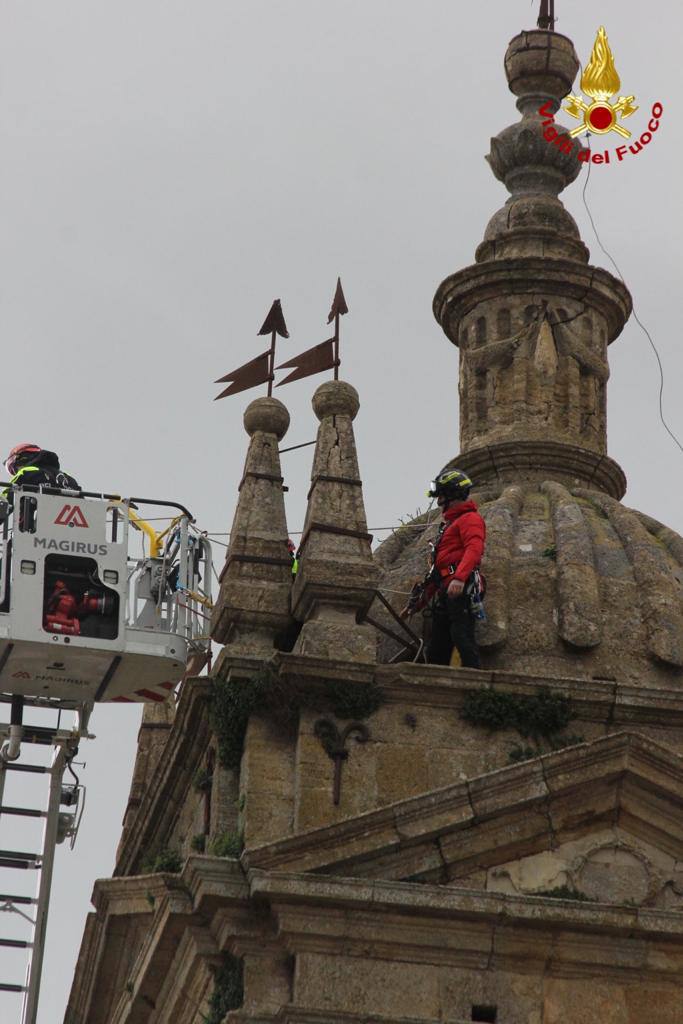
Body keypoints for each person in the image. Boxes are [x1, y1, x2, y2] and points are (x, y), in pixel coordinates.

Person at [401, 468, 486, 669]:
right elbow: (437, 574)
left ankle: (474, 678)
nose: (439, 501)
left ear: (452, 495)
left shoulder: (470, 519)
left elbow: (474, 549)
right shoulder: (449, 525)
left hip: (460, 589)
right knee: (438, 643)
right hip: (445, 590)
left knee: (461, 634)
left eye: (441, 495)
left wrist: (459, 578)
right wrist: (417, 605)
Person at [3, 443, 80, 494]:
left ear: (23, 459)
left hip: (35, 517)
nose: (16, 472)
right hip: (67, 517)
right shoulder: (68, 478)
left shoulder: (25, 472)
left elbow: (5, 499)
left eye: (15, 469)